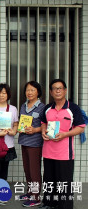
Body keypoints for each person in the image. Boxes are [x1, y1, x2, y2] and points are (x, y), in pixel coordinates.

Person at [39, 79, 85, 209]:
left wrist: (65, 134)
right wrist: (43, 132)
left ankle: (65, 206)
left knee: (64, 182)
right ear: (51, 92)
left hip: (65, 153)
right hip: (48, 151)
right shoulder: (48, 108)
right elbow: (43, 123)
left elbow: (81, 127)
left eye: (60, 88)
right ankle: (49, 203)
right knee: (49, 180)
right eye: (54, 88)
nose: (57, 91)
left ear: (65, 91)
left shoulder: (73, 108)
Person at [0, 83, 18, 206]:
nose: (1, 95)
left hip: (8, 144)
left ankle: (2, 194)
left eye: (4, 93)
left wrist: (14, 131)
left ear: (8, 95)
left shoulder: (13, 109)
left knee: (4, 171)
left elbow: (16, 123)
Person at [18, 81, 45, 207]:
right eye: (27, 90)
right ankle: (29, 192)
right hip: (24, 140)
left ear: (38, 92)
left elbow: (46, 126)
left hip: (35, 143)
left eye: (32, 90)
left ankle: (36, 197)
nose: (29, 92)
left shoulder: (42, 107)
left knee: (34, 170)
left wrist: (35, 130)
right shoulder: (23, 105)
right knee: (27, 169)